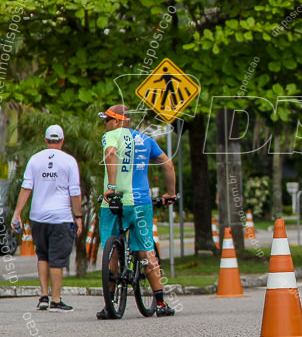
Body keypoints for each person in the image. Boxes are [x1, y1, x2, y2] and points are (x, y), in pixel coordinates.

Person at [97, 105, 179, 319]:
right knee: (145, 249)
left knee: (111, 249)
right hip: (140, 203)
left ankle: (110, 306)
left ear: (116, 121)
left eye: (106, 120)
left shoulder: (112, 135)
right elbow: (168, 165)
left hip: (112, 202)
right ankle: (160, 303)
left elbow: (111, 153)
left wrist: (112, 187)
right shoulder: (146, 140)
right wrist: (170, 193)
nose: (104, 125)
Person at [11, 125, 83, 312]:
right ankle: (56, 300)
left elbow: (26, 188)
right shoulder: (69, 161)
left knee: (42, 256)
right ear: (62, 140)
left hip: (38, 217)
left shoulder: (35, 159)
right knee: (57, 259)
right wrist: (79, 216)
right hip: (60, 217)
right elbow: (75, 191)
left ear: (45, 140)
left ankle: (43, 296)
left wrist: (17, 213)